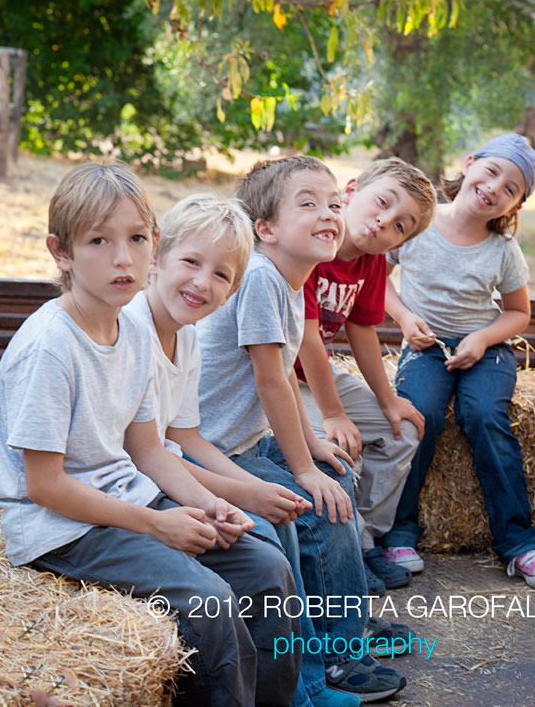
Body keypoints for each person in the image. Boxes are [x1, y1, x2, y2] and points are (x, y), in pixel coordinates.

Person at [0, 161, 301, 707]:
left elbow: (148, 449)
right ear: (60, 252)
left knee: (265, 566)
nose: (122, 257)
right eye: (98, 240)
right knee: (210, 600)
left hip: (127, 497)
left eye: (136, 238)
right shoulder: (50, 346)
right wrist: (158, 525)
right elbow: (45, 486)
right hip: (63, 527)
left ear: (154, 247)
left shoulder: (128, 328)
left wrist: (212, 505)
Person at [125, 192, 360, 707]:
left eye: (220, 276)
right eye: (191, 263)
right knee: (270, 535)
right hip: (139, 484)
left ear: (231, 288)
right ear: (158, 256)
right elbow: (150, 453)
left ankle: (315, 670)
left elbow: (185, 437)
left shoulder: (183, 337)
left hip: (169, 465)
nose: (202, 284)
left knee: (282, 514)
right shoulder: (133, 335)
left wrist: (252, 488)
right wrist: (240, 494)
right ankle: (303, 687)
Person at [197, 156, 409, 703]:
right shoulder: (264, 278)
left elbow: (284, 375)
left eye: (334, 204)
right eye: (309, 204)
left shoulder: (293, 280)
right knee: (313, 507)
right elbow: (270, 381)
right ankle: (317, 671)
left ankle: (347, 636)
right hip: (210, 450)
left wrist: (314, 448)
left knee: (335, 486)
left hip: (240, 439)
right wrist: (301, 469)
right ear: (265, 228)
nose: (330, 214)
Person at [379, 134, 535, 590]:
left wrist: (481, 339)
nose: (495, 188)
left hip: (487, 350)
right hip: (426, 345)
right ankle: (399, 533)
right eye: (493, 171)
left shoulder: (502, 251)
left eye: (511, 189)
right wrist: (403, 317)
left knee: (482, 415)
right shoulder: (416, 226)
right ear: (470, 163)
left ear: (512, 207)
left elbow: (519, 313)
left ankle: (519, 543)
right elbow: (375, 281)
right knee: (416, 417)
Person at [295, 158, 436, 594]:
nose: (384, 221)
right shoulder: (313, 245)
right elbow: (307, 338)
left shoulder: (370, 264)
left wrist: (388, 399)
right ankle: (343, 546)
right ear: (352, 190)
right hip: (275, 378)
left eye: (400, 225)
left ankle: (365, 539)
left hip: (316, 378)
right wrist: (335, 414)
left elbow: (361, 329)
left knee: (403, 429)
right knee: (333, 449)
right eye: (382, 203)